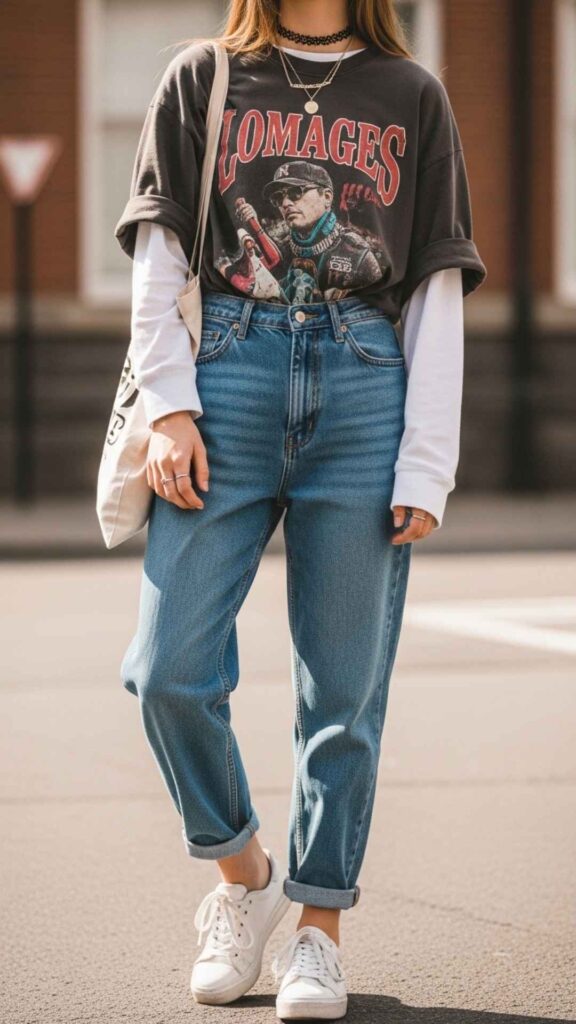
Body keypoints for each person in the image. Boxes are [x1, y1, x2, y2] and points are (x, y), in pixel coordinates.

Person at [113, 1, 487, 1018]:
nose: (304, 194)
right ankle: (244, 878)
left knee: (344, 691)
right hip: (225, 371)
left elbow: (436, 285)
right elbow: (160, 250)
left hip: (368, 385)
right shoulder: (201, 76)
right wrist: (169, 404)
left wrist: (428, 461)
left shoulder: (412, 94)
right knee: (166, 669)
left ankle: (320, 925)